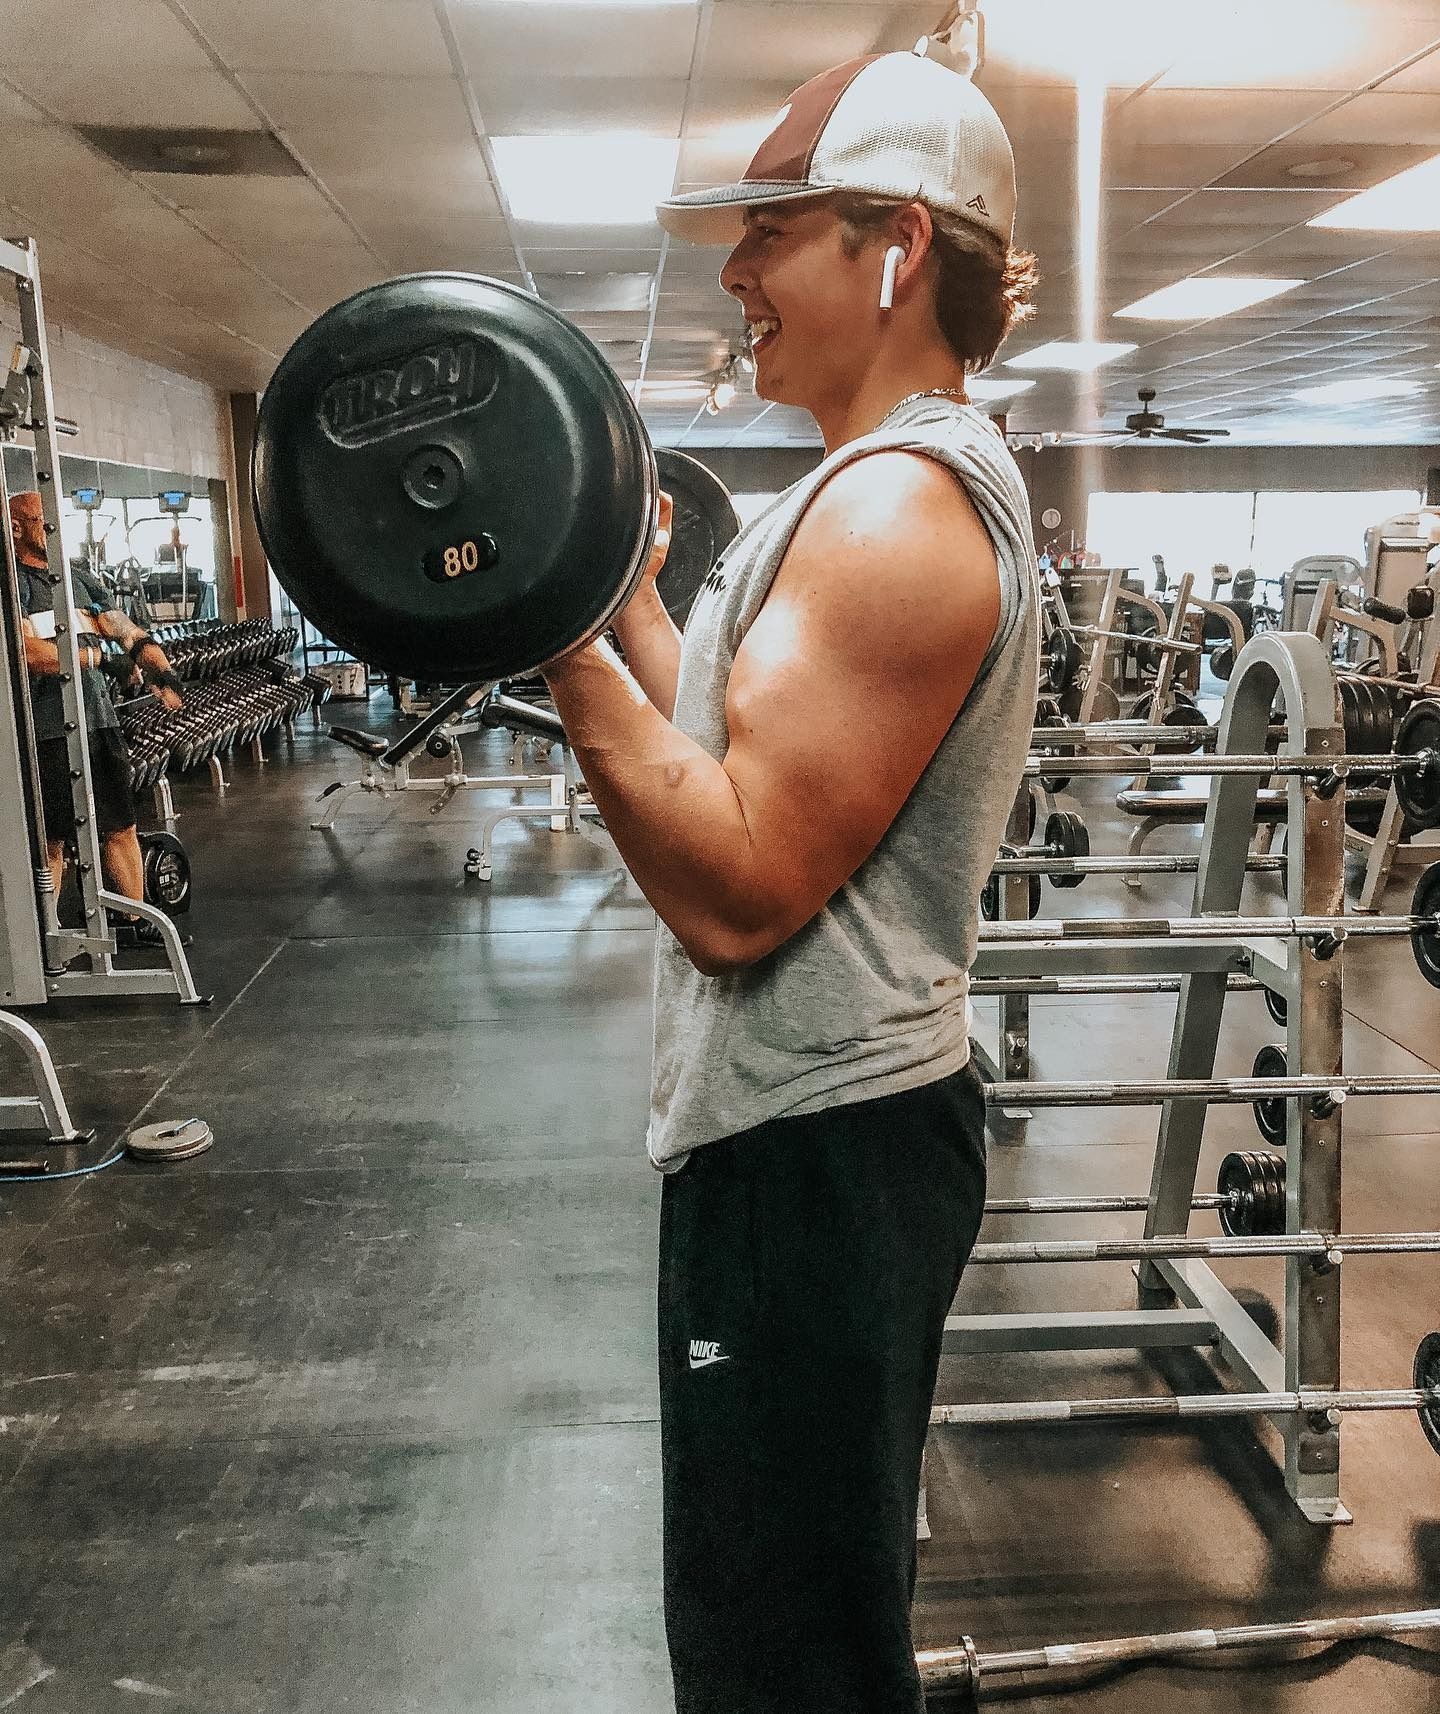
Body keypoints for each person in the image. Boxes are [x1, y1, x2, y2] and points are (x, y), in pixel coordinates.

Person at [541, 46, 1040, 1714]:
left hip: (819, 1151)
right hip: (806, 1134)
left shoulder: (898, 510)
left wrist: (542, 636)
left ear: (896, 243)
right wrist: (624, 619)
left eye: (776, 233)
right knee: (780, 1606)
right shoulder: (844, 493)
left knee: (785, 1654)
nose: (738, 275)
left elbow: (744, 877)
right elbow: (742, 744)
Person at [9, 489, 185, 946]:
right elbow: (30, 654)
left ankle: (136, 924)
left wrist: (157, 666)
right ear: (13, 528)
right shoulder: (10, 584)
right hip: (43, 729)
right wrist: (98, 660)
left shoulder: (77, 578)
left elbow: (122, 629)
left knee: (119, 825)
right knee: (52, 842)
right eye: (39, 521)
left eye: (54, 521)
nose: (52, 530)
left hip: (97, 721)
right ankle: (45, 939)